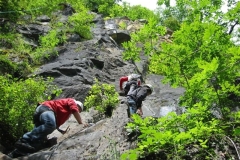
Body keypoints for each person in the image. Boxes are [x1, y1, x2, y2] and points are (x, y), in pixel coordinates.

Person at [14, 98, 88, 152]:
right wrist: (81, 122)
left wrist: (60, 131)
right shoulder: (72, 101)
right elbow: (74, 109)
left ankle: (19, 150)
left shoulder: (65, 113)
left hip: (42, 114)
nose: (78, 111)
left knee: (39, 139)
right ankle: (25, 139)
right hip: (46, 109)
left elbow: (56, 124)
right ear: (77, 105)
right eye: (79, 109)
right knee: (50, 125)